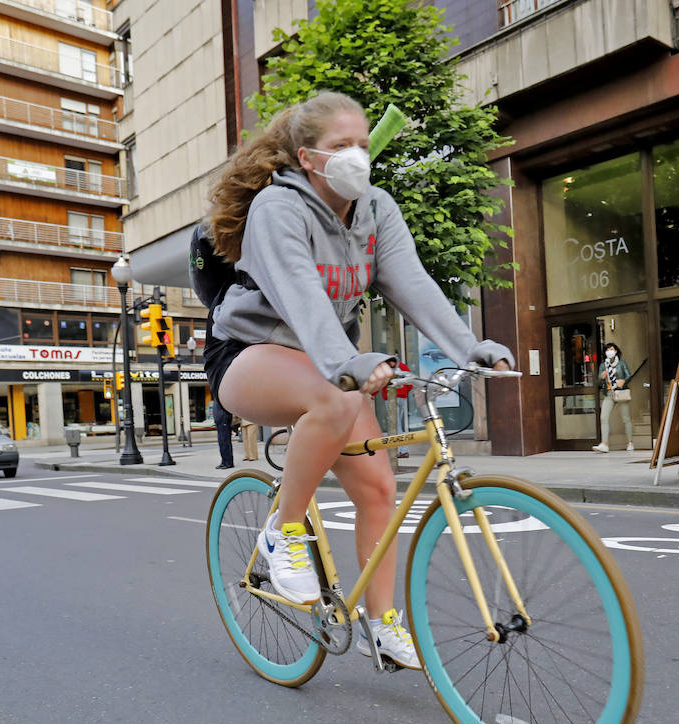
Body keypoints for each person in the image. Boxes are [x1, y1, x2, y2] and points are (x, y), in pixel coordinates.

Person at [202, 91, 513, 670]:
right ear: (307, 158)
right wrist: (348, 363)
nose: (357, 156)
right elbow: (301, 296)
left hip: (330, 359)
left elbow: (413, 284)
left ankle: (381, 623)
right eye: (341, 145)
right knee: (332, 396)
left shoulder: (375, 208)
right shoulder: (277, 208)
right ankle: (283, 533)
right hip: (249, 350)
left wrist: (469, 347)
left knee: (378, 490)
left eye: (364, 144)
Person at [592, 342, 635, 452]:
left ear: (615, 351)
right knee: (603, 417)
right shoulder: (603, 365)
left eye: (611, 349)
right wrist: (602, 377)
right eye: (607, 350)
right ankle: (604, 444)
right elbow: (598, 381)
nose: (609, 352)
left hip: (621, 392)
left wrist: (624, 381)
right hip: (609, 393)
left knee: (626, 418)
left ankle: (630, 442)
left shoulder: (621, 363)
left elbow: (628, 375)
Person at [212, 399, 236, 470]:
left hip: (223, 420)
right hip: (220, 421)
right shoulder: (217, 397)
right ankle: (224, 461)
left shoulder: (222, 396)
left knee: (225, 441)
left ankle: (228, 463)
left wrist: (224, 418)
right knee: (222, 442)